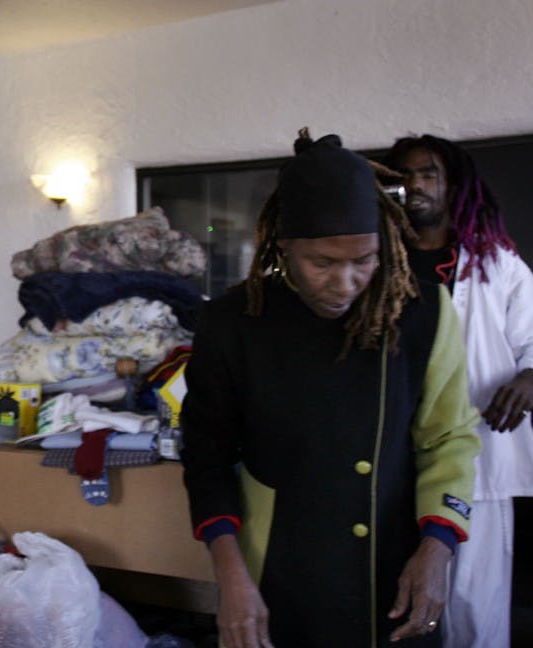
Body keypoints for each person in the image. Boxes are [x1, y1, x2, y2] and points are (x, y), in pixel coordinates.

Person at [180, 132, 481, 648]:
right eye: (322, 263)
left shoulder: (424, 312)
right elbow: (207, 456)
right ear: (285, 246)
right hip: (279, 571)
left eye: (363, 260)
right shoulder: (233, 322)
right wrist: (230, 577)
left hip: (398, 569)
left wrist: (438, 548)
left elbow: (448, 438)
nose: (345, 283)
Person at [385, 134, 533, 648]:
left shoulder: (497, 266)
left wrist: (528, 377)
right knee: (397, 604)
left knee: (475, 607)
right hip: (395, 456)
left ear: (454, 186)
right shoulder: (380, 263)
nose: (416, 183)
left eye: (430, 173)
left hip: (479, 457)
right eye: (405, 174)